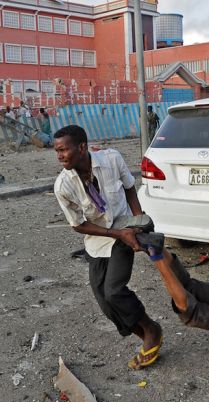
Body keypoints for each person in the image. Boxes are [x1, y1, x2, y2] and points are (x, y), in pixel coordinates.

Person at [53, 125, 163, 370]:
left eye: (63, 150)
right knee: (105, 303)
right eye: (56, 151)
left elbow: (129, 188)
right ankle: (145, 334)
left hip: (125, 228)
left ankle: (152, 330)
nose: (59, 156)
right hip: (98, 241)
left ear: (82, 147)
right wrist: (116, 233)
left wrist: (138, 223)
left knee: (114, 291)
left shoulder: (112, 159)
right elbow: (78, 224)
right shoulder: (64, 185)